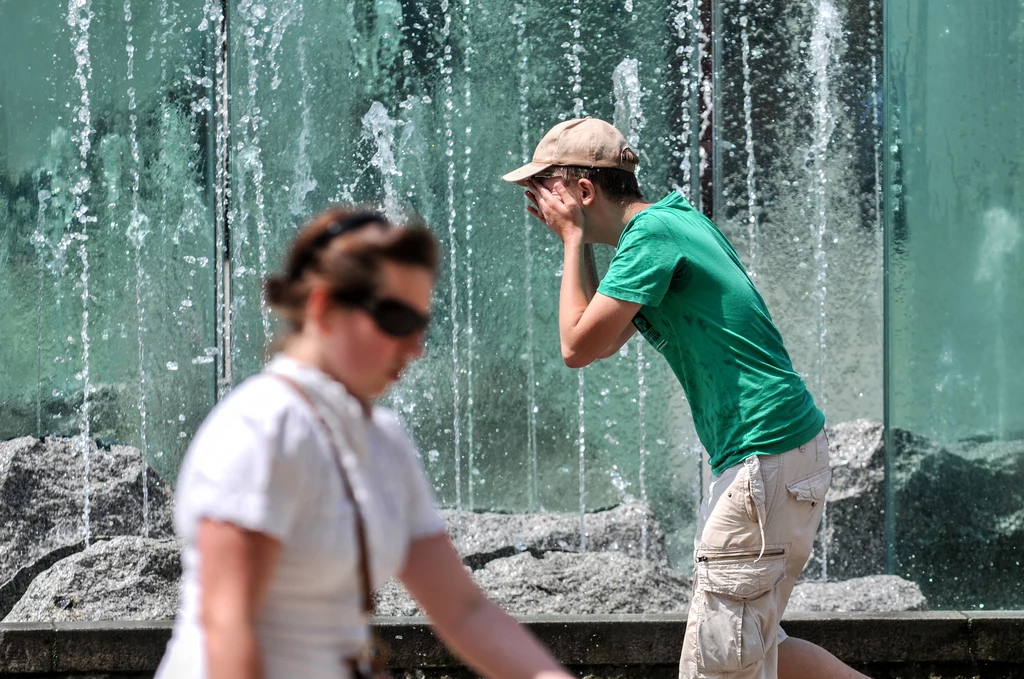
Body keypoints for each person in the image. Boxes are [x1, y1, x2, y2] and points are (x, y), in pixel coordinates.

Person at [503, 117, 871, 679]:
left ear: (582, 191)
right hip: (781, 454)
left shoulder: (650, 239)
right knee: (758, 647)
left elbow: (575, 346)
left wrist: (573, 240)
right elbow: (601, 338)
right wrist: (580, 242)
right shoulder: (671, 222)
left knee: (717, 665)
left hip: (762, 459)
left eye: (544, 187)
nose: (537, 204)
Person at [156, 207, 578, 679]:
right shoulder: (261, 426)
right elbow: (227, 624)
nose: (416, 346)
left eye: (422, 324)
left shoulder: (384, 440)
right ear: (323, 308)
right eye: (396, 319)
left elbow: (464, 610)